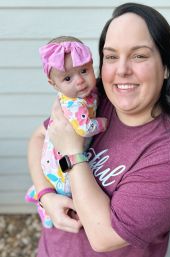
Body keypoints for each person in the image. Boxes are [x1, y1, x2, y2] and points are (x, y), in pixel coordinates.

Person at [27, 3, 170, 257]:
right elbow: (40, 137)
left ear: (165, 66)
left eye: (139, 55)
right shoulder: (93, 99)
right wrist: (45, 197)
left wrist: (73, 152)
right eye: (110, 56)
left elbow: (103, 236)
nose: (121, 70)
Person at [25, 36, 107, 228]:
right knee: (65, 192)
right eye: (68, 78)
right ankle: (43, 204)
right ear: (53, 84)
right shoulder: (73, 104)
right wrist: (103, 123)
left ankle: (37, 192)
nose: (80, 81)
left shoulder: (88, 93)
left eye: (84, 71)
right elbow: (84, 128)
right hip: (58, 162)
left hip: (57, 153)